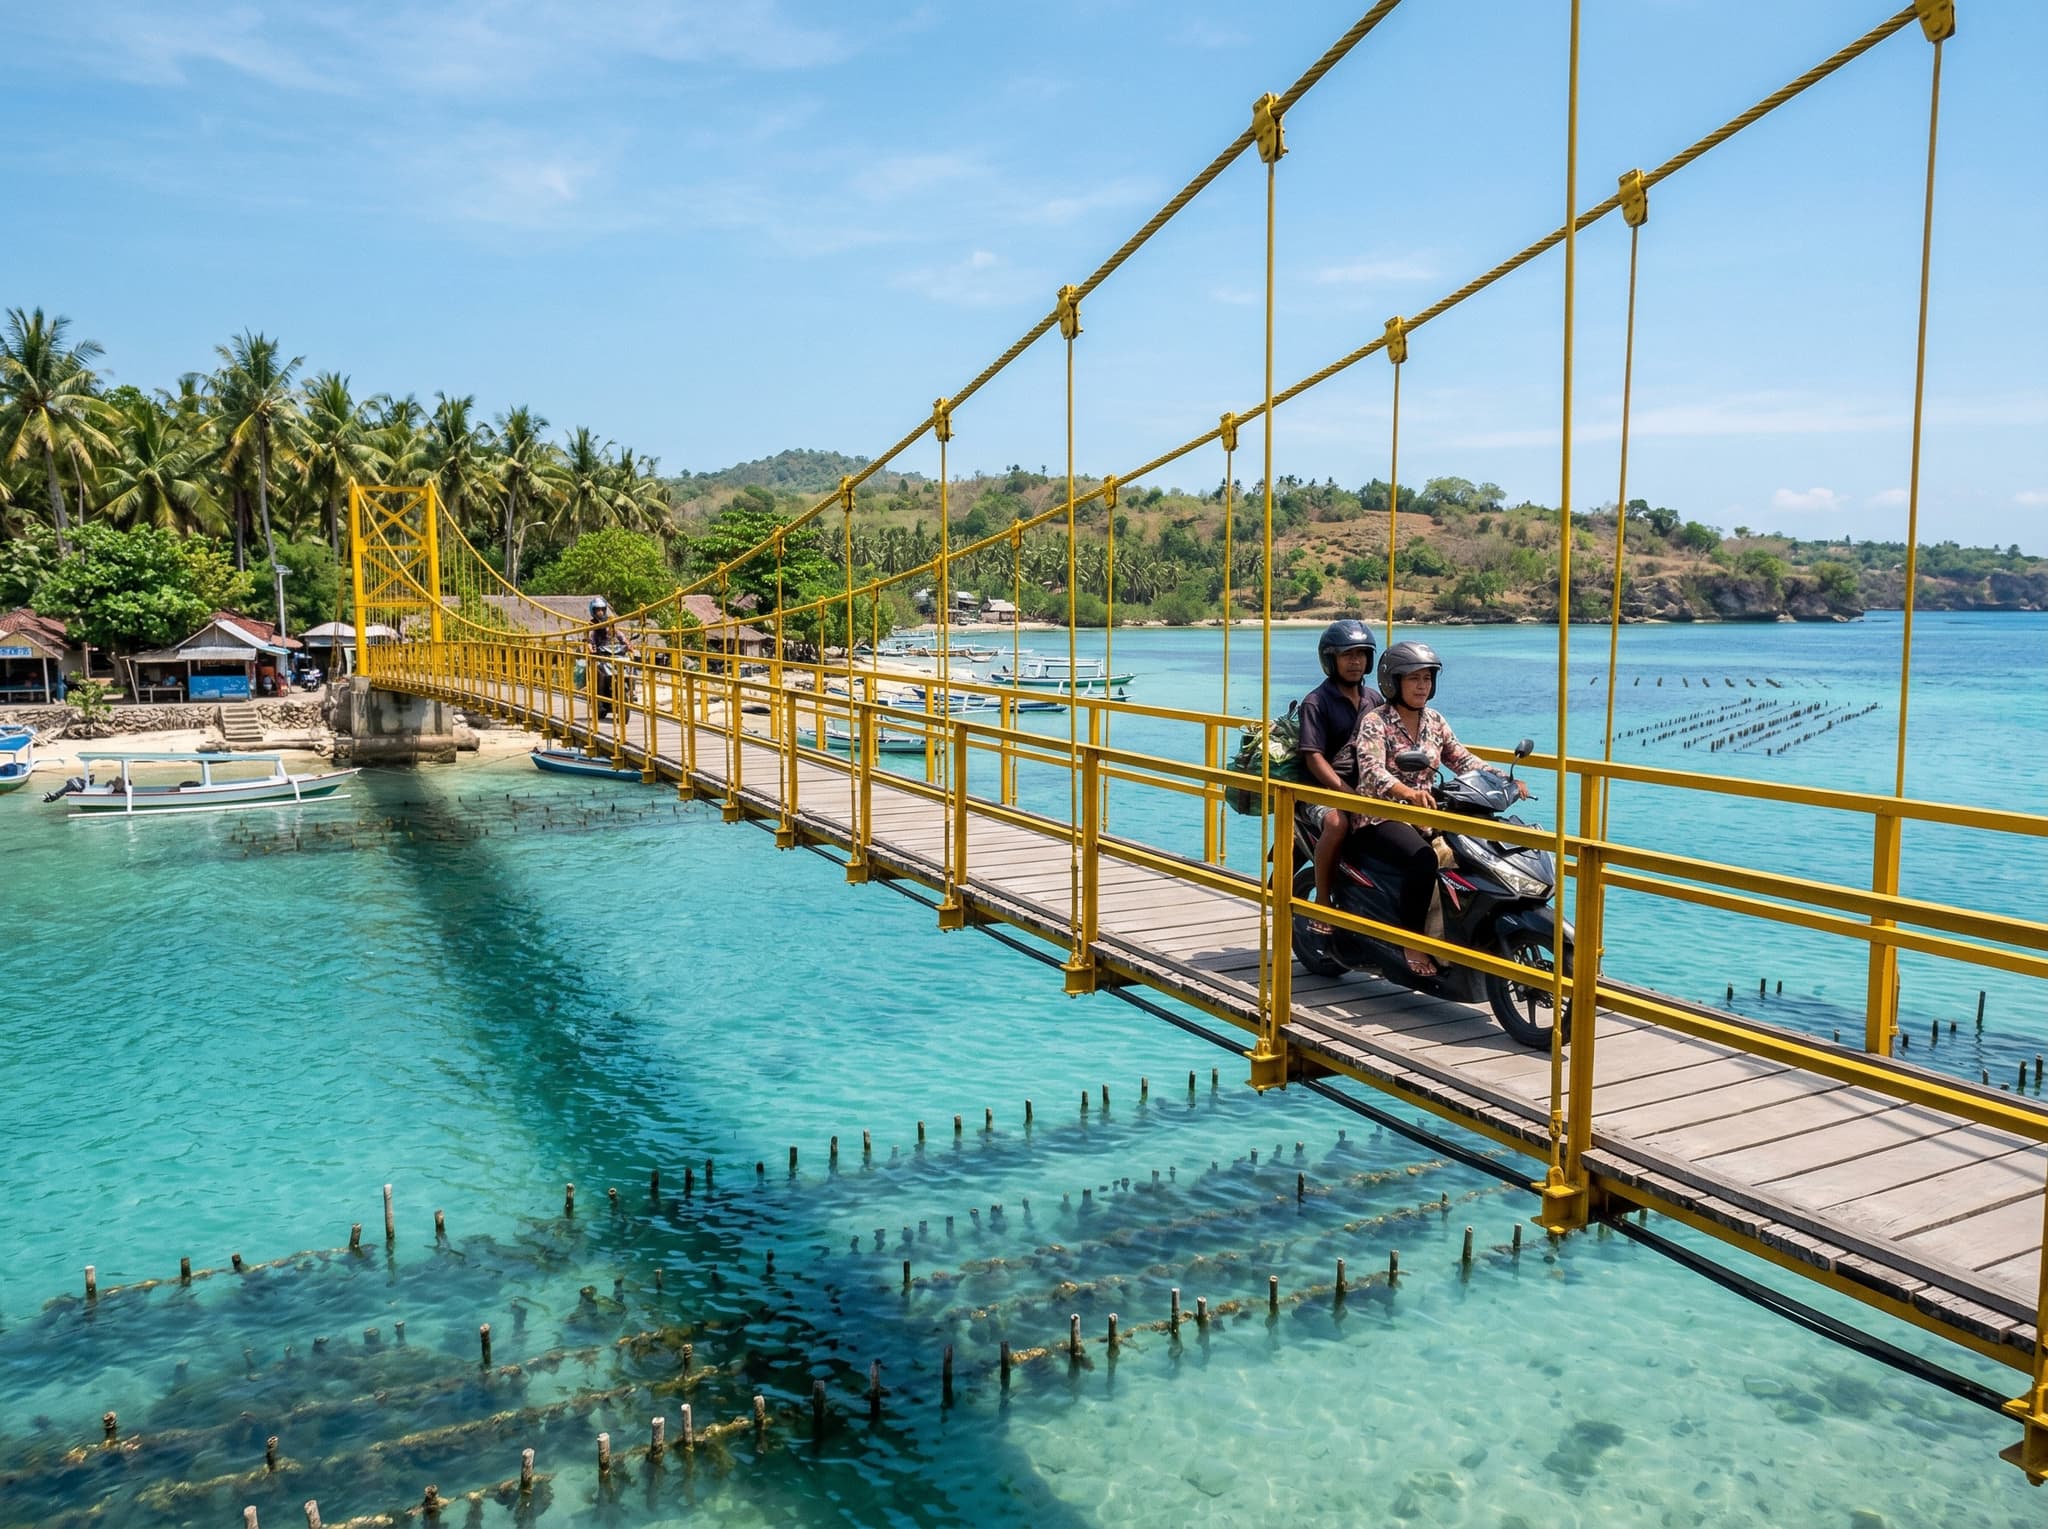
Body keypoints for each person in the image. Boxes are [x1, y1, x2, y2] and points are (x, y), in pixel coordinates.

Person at [1353, 640, 1525, 976]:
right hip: (1381, 814)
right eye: (1414, 678)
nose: (1422, 686)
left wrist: (1505, 779)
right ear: (1394, 682)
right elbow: (1372, 771)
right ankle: (1411, 941)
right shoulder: (1376, 721)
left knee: (1477, 853)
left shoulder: (1434, 720)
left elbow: (1461, 758)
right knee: (1423, 859)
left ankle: (1458, 939)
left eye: (1427, 679)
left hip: (1429, 813)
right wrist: (1407, 793)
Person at [1298, 619, 1381, 934]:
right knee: (1337, 822)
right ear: (1331, 659)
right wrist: (1345, 792)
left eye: (1361, 654)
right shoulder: (1316, 702)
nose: (1355, 661)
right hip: (1320, 791)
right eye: (1348, 655)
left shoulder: (1375, 699)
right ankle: (1322, 901)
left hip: (1365, 787)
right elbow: (1313, 757)